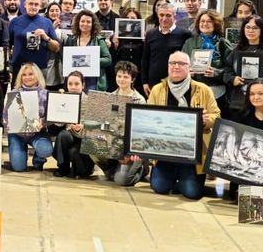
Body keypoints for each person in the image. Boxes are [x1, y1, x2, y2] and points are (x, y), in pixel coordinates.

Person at [147, 51, 221, 200]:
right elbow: (148, 118)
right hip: (165, 151)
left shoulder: (203, 89)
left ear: (189, 67)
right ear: (168, 66)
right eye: (172, 63)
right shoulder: (157, 90)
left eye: (181, 64)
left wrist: (207, 120)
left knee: (191, 193)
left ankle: (186, 177)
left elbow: (216, 115)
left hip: (192, 153)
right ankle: (175, 176)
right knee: (159, 187)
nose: (176, 67)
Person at [94, 62, 151, 186]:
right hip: (114, 145)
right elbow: (104, 124)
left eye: (126, 77)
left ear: (132, 79)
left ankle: (141, 169)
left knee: (122, 181)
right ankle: (112, 170)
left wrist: (128, 153)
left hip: (131, 146)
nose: (121, 79)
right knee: (92, 143)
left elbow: (140, 130)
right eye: (119, 76)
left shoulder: (139, 100)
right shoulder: (109, 97)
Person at [224, 16, 263, 118]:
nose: (250, 30)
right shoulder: (237, 49)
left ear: (262, 30)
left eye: (255, 28)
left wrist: (262, 82)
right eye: (247, 27)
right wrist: (232, 79)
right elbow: (227, 70)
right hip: (239, 101)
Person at [181, 10, 232, 112]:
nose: (205, 24)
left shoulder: (223, 43)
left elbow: (231, 69)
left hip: (217, 93)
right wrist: (187, 73)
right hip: (194, 92)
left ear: (216, 23)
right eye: (202, 21)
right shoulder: (189, 43)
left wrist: (216, 73)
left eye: (209, 21)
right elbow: (181, 65)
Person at [7, 62, 53, 172]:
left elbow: (51, 117)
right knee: (18, 168)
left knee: (46, 150)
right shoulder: (14, 93)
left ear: (37, 75)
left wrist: (43, 122)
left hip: (38, 133)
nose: (27, 77)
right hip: (17, 135)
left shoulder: (45, 94)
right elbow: (5, 115)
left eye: (31, 74)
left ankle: (38, 159)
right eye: (24, 75)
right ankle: (20, 153)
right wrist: (7, 124)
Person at [141, 2, 192, 95]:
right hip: (154, 83)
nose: (164, 18)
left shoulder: (185, 34)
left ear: (175, 16)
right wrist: (144, 82)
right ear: (157, 15)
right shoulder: (150, 34)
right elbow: (145, 59)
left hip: (177, 83)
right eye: (161, 15)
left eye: (168, 15)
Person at [9, 0, 60, 81]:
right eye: (30, 4)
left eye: (36, 4)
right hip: (18, 68)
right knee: (18, 94)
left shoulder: (47, 22)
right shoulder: (14, 22)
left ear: (40, 6)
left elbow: (56, 48)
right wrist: (8, 68)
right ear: (25, 5)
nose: (33, 7)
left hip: (40, 68)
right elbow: (7, 46)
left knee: (39, 94)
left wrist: (45, 37)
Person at [53, 71, 93, 178]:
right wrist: (58, 102)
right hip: (70, 135)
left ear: (83, 85)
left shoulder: (90, 101)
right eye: (70, 84)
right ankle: (62, 167)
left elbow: (95, 128)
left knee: (75, 153)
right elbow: (57, 124)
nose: (73, 87)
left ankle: (85, 169)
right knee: (63, 135)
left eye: (77, 84)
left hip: (84, 138)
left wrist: (83, 127)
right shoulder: (65, 98)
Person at [63, 10, 112, 91]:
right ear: (78, 23)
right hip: (75, 82)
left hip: (93, 82)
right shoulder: (71, 39)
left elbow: (108, 60)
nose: (85, 24)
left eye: (88, 22)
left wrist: (89, 61)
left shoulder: (99, 40)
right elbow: (65, 59)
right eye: (82, 21)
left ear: (93, 24)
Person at [111, 7, 145, 95]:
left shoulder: (142, 38)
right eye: (127, 18)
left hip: (138, 76)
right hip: (123, 75)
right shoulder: (118, 37)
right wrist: (115, 45)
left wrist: (145, 41)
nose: (130, 21)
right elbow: (114, 57)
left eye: (133, 19)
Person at [43, 3, 65, 91]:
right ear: (48, 13)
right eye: (51, 11)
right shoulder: (44, 24)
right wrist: (52, 28)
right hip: (48, 63)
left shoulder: (66, 26)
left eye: (57, 10)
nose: (54, 13)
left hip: (61, 64)